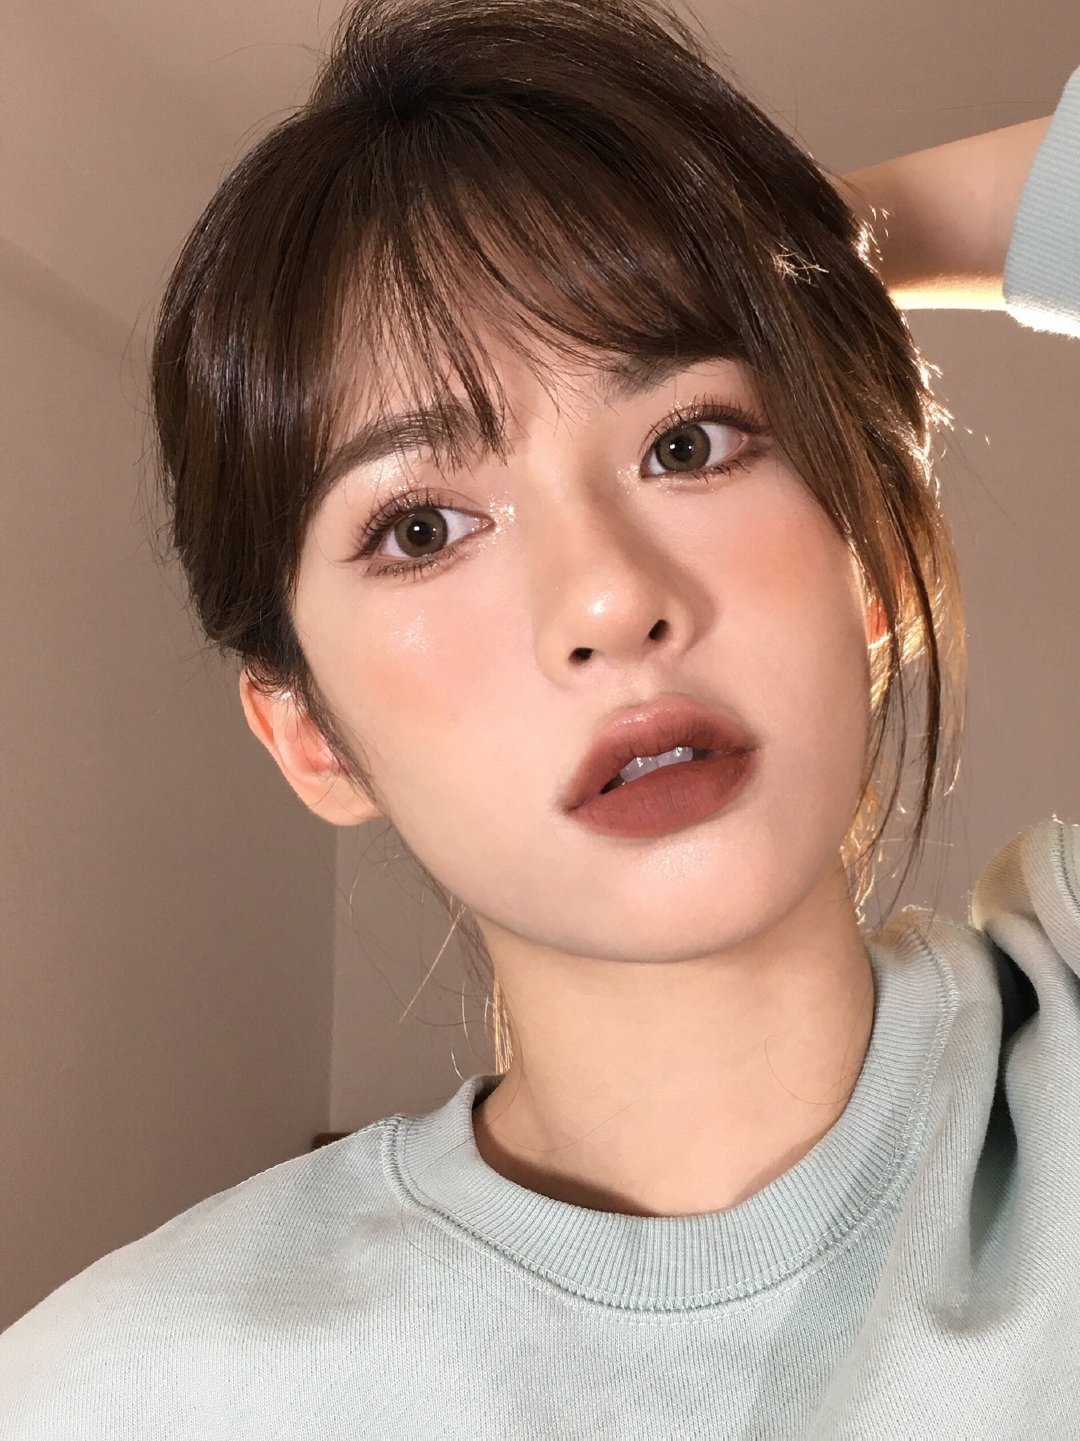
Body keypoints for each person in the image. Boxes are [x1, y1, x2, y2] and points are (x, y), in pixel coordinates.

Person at [2, 0, 1078, 1434]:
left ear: (874, 562)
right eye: (423, 528)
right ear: (312, 735)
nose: (610, 600)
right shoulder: (128, 1393)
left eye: (688, 440)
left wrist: (808, 257)